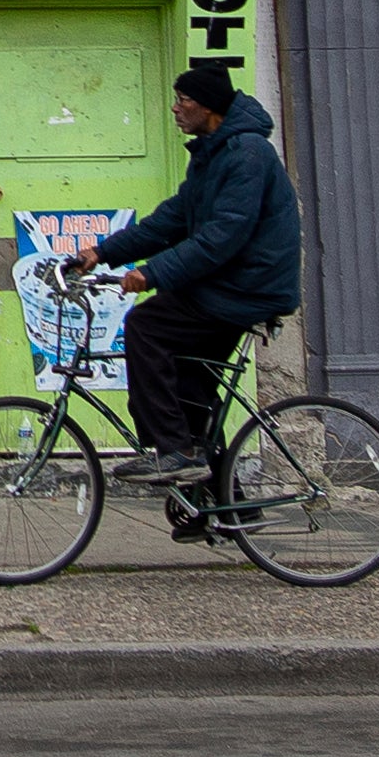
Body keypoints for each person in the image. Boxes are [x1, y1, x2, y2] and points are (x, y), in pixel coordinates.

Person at [73, 66, 301, 486]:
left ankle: (173, 452)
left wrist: (151, 273)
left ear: (209, 106)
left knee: (146, 325)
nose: (176, 108)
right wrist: (101, 253)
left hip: (247, 287)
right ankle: (223, 504)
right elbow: (171, 221)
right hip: (231, 284)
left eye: (184, 100)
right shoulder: (214, 152)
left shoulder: (247, 154)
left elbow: (222, 237)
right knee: (190, 389)